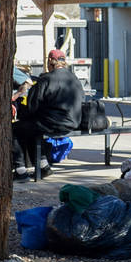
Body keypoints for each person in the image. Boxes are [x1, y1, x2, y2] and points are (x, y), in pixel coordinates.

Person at [14, 49, 83, 179]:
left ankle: (20, 171)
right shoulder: (74, 78)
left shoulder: (46, 79)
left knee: (16, 129)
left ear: (49, 63)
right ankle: (43, 167)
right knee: (31, 128)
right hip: (74, 122)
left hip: (54, 124)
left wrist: (23, 113)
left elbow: (32, 106)